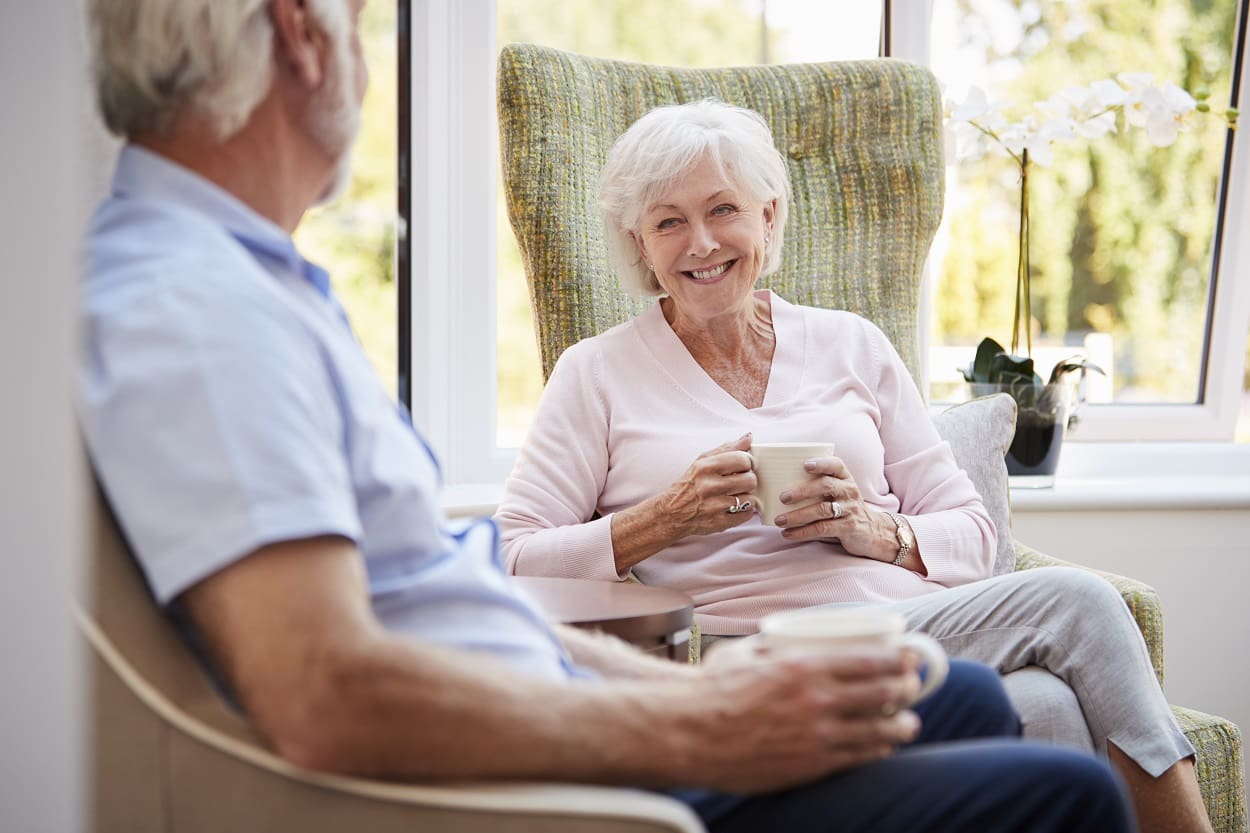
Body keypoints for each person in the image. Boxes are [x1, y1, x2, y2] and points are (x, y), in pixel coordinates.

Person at [78, 1, 1136, 831]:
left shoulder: (249, 283)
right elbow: (323, 688)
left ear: (768, 219)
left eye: (722, 210)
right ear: (297, 34)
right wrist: (698, 711)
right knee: (1065, 793)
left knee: (963, 698)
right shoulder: (195, 308)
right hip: (536, 775)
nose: (365, 59)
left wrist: (696, 678)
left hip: (615, 677)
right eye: (358, 22)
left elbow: (449, 591)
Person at [495, 99, 1211, 833]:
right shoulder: (596, 374)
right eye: (668, 221)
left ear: (768, 218)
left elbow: (972, 535)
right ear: (640, 244)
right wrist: (661, 519)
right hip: (757, 647)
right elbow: (511, 557)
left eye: (723, 209)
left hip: (910, 622)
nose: (702, 242)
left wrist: (874, 527)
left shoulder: (853, 344)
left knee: (1048, 705)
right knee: (1082, 603)